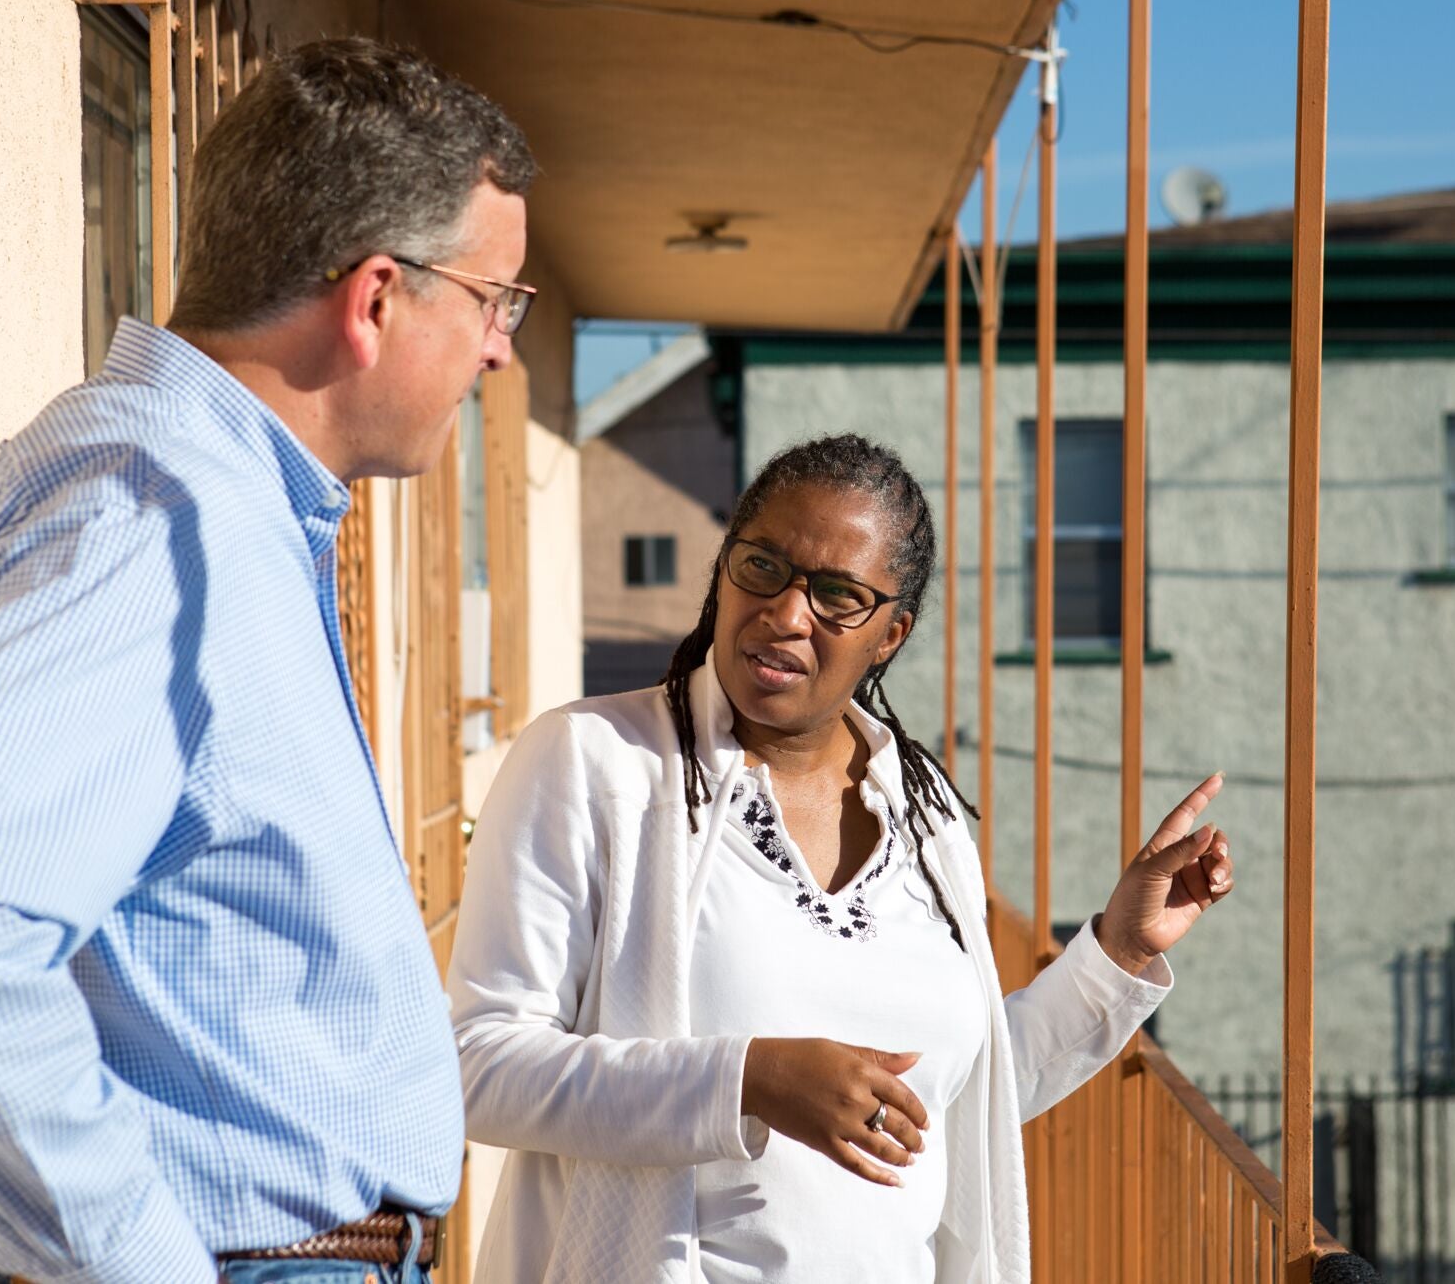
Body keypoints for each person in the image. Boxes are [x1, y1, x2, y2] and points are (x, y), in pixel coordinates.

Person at [0, 38, 536, 1284]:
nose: (498, 352)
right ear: (377, 298)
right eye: (493, 300)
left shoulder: (195, 501)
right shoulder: (156, 519)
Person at [447, 434, 1235, 1284]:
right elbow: (480, 1064)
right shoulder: (596, 761)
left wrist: (1117, 951)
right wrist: (748, 1078)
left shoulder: (926, 816)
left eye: (837, 596)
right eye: (762, 567)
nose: (787, 613)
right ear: (722, 571)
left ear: (890, 634)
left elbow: (950, 1097)